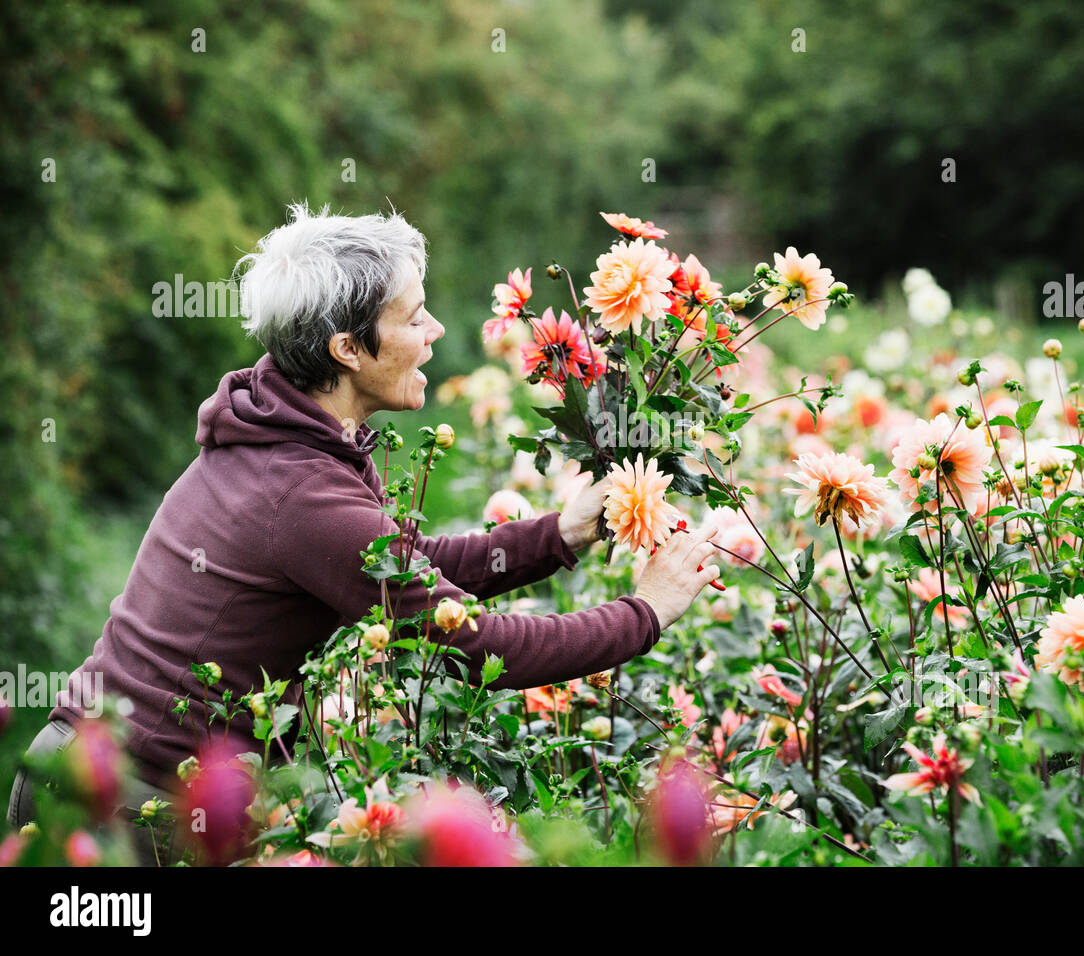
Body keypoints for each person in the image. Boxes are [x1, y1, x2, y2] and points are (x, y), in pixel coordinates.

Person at [6, 203, 721, 863]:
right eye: (414, 317)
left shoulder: (290, 433)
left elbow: (406, 570)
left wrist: (558, 535)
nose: (436, 330)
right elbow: (474, 647)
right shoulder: (299, 491)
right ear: (348, 349)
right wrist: (646, 613)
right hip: (122, 811)